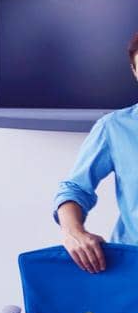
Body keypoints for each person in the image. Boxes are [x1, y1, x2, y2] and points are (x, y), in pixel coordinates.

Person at [54, 31, 138, 274]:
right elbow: (75, 188)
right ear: (134, 73)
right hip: (132, 273)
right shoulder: (113, 128)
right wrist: (72, 232)